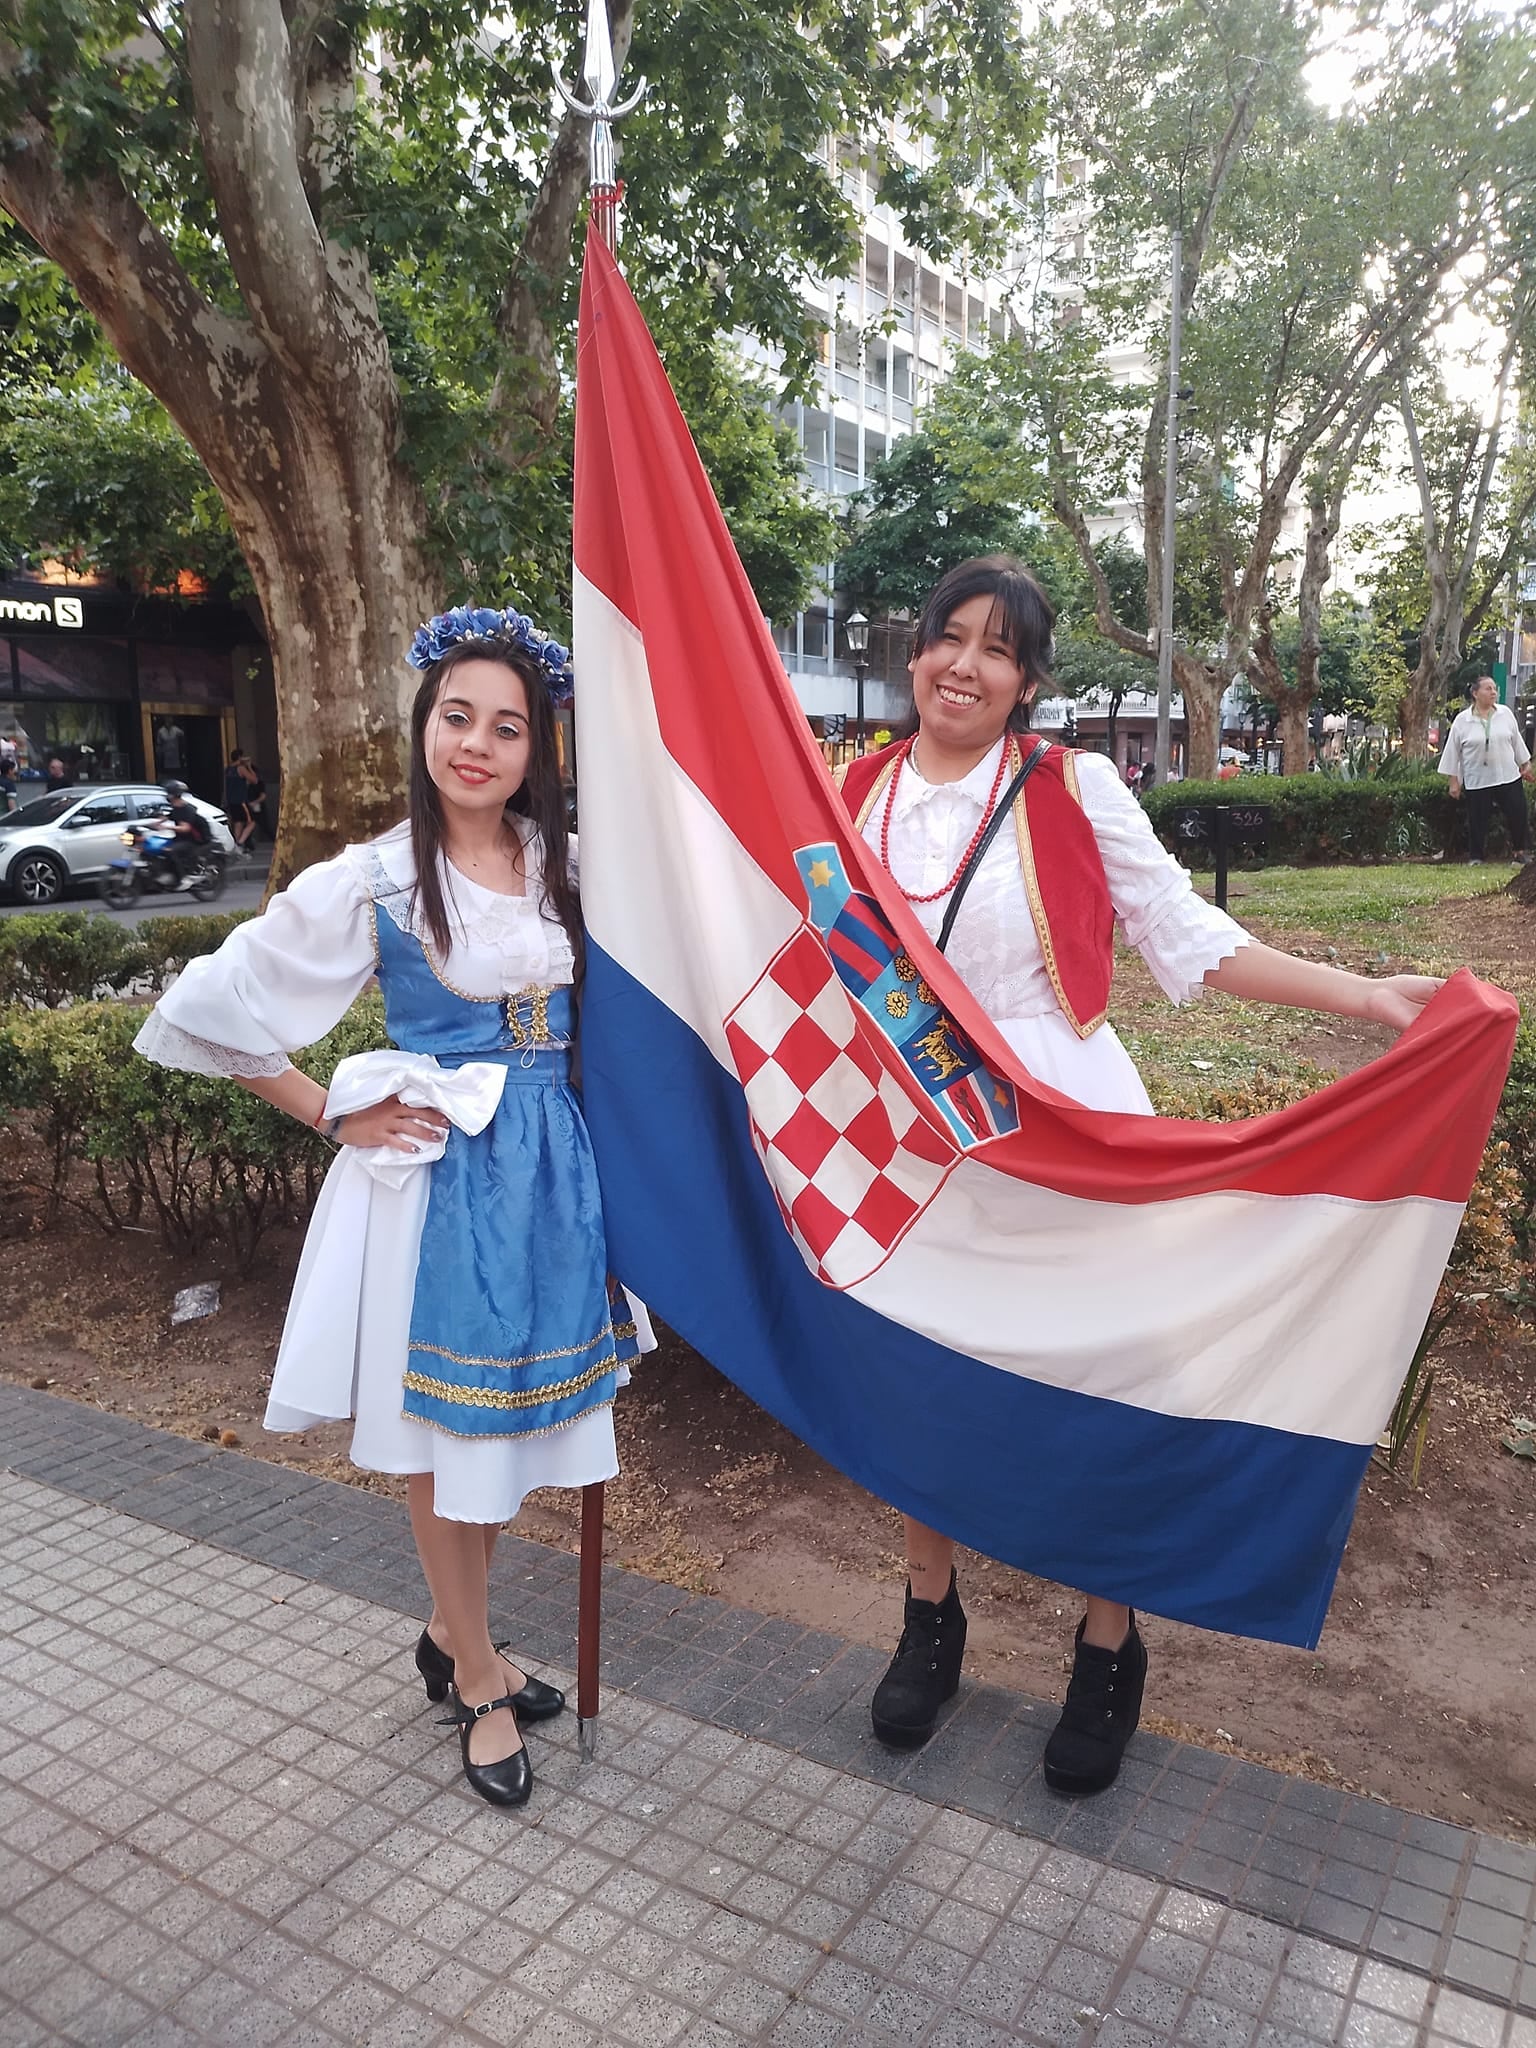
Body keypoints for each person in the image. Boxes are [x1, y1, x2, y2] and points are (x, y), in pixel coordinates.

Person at [836, 555, 1442, 1796]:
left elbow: (1191, 940)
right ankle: (928, 1619)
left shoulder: (1074, 785)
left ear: (1028, 680)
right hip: (923, 1140)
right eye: (948, 638)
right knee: (922, 1379)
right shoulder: (854, 791)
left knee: (1108, 1381)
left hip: (1071, 1133)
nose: (964, 664)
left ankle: (1107, 1643)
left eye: (996, 649)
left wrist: (1364, 995)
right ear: (914, 656)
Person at [134, 606, 649, 1811]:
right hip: (436, 1183)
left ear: (538, 749)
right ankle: (474, 1673)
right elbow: (215, 1001)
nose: (478, 744)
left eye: (507, 727)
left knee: (510, 1428)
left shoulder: (560, 860)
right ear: (425, 726)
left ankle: (450, 1629)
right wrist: (329, 1109)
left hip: (549, 1177)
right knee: (444, 1432)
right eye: (457, 717)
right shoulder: (373, 877)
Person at [1438, 675, 1534, 865]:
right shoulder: (1462, 721)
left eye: (1494, 688)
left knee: (1518, 813)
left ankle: (1519, 852)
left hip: (1507, 775)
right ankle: (1476, 856)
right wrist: (1454, 781)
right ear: (1475, 693)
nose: (1493, 692)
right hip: (1478, 777)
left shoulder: (1505, 713)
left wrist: (1525, 763)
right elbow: (1452, 752)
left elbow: (1516, 741)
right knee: (1477, 818)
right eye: (1488, 689)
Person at [161, 779, 213, 881]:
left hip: (192, 840)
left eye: (169, 793)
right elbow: (163, 819)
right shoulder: (176, 808)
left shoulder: (186, 809)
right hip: (181, 839)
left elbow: (185, 828)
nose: (167, 796)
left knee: (170, 850)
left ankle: (183, 878)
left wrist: (167, 827)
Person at [223, 750, 256, 850]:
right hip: (241, 801)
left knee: (238, 823)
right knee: (252, 822)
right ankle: (240, 842)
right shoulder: (240, 768)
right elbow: (254, 780)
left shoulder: (228, 769)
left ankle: (235, 847)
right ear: (240, 757)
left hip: (231, 801)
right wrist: (249, 766)